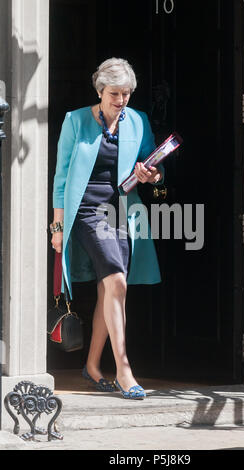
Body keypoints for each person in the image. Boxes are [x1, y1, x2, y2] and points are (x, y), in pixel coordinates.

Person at [51, 58, 165, 400]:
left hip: (122, 212)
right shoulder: (75, 121)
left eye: (126, 93)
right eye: (114, 93)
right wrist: (57, 227)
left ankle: (93, 366)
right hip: (85, 211)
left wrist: (153, 175)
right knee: (116, 280)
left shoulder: (138, 121)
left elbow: (153, 167)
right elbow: (60, 178)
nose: (121, 100)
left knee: (110, 288)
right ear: (100, 91)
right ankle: (124, 369)